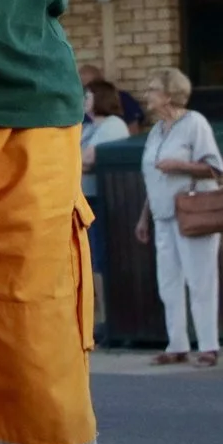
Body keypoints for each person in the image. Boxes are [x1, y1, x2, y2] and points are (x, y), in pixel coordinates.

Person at [133, 67, 223, 367]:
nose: (147, 95)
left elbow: (215, 168)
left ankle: (208, 345)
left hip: (192, 213)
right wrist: (144, 217)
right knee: (168, 282)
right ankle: (177, 344)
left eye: (152, 89)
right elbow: (153, 176)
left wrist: (180, 165)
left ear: (169, 94)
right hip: (162, 215)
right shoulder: (156, 131)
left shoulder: (194, 123)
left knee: (200, 280)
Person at [79, 79, 130, 304]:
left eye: (88, 96)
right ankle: (99, 313)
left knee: (101, 257)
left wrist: (74, 161)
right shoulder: (88, 127)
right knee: (90, 257)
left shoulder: (113, 124)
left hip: (103, 198)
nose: (83, 100)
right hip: (84, 199)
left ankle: (108, 315)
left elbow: (89, 159)